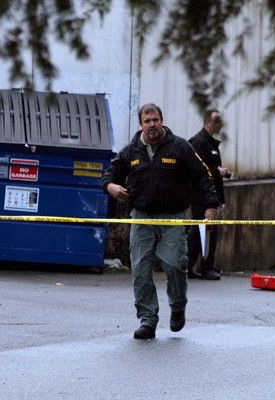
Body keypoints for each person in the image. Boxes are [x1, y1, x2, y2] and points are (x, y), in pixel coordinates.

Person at [102, 103, 219, 340]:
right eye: (147, 121)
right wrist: (111, 186)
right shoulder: (130, 151)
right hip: (141, 218)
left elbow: (203, 176)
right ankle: (147, 320)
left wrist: (210, 206)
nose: (152, 125)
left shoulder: (180, 147)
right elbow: (109, 175)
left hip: (173, 218)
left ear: (162, 120)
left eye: (155, 120)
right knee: (141, 271)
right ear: (140, 124)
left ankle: (177, 307)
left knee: (175, 265)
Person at [187, 109, 230, 280]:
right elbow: (196, 170)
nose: (221, 125)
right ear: (207, 123)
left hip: (212, 196)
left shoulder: (211, 143)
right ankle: (194, 266)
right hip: (201, 196)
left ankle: (204, 266)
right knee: (199, 231)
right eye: (217, 121)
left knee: (209, 231)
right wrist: (215, 171)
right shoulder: (198, 142)